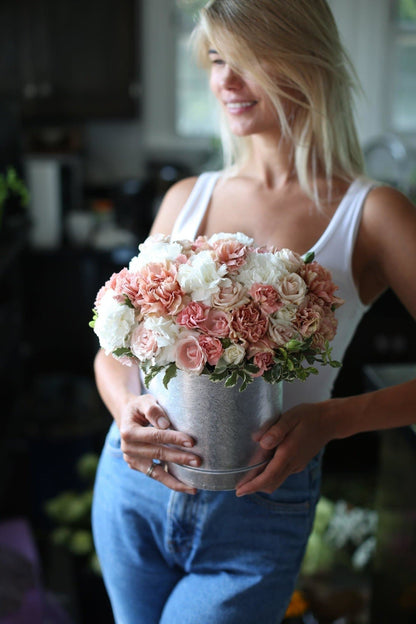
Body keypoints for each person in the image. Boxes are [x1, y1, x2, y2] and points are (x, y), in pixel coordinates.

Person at [91, 1, 416, 622]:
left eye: (250, 60)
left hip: (259, 512)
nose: (227, 82)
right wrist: (124, 412)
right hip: (133, 487)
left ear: (307, 61)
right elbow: (114, 355)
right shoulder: (186, 198)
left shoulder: (372, 214)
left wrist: (334, 420)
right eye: (217, 60)